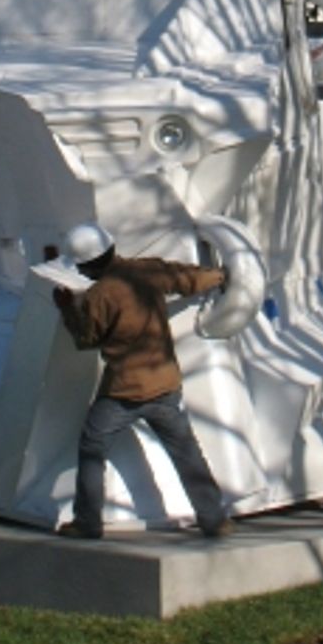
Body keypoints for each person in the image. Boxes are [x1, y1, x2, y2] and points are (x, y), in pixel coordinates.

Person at [52, 221, 230, 539]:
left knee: (92, 447)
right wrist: (219, 276)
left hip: (124, 392)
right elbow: (186, 278)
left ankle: (88, 522)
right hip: (165, 384)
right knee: (187, 453)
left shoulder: (98, 296)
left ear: (89, 266)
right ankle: (214, 519)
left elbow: (86, 338)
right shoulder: (147, 271)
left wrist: (68, 309)